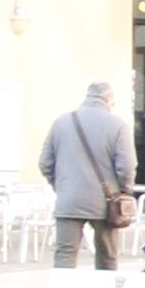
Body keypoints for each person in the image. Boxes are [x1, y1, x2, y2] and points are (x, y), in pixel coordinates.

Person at [39, 82, 132, 268]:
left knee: (65, 255)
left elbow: (45, 163)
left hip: (69, 199)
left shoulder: (61, 122)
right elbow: (127, 166)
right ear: (108, 99)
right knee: (107, 256)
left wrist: (60, 185)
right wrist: (124, 191)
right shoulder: (118, 126)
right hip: (106, 201)